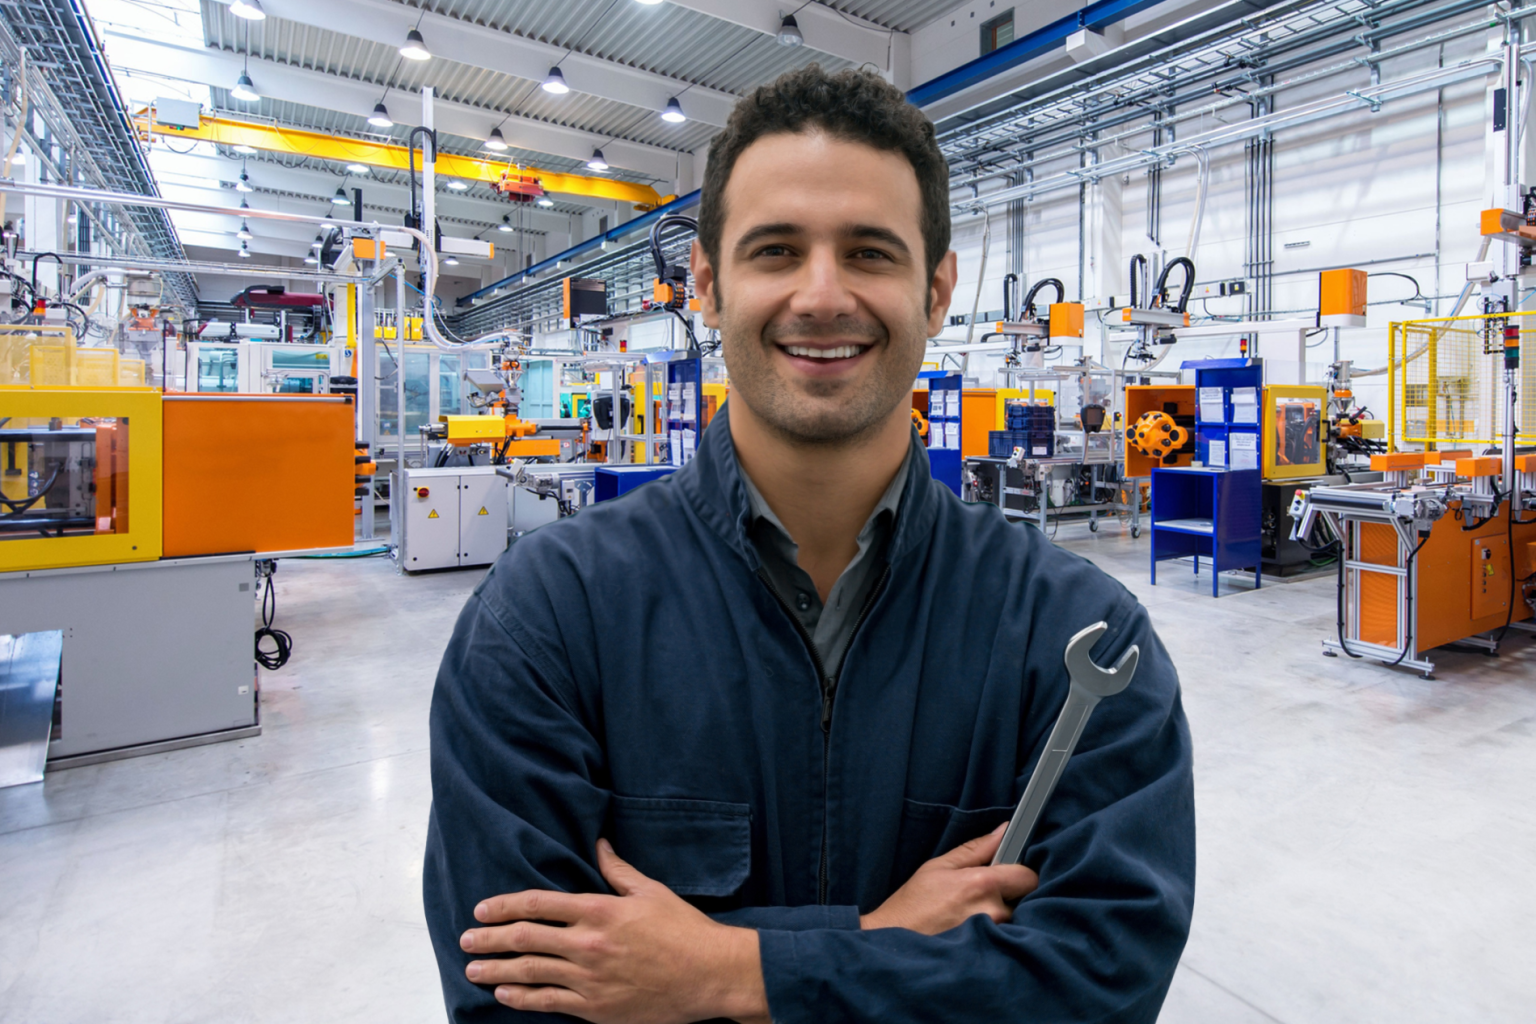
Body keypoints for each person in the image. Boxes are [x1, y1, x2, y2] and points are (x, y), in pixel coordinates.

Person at [423, 65, 1194, 1023]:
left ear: (938, 287)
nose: (822, 296)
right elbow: (512, 1000)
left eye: (870, 253)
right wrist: (880, 945)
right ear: (707, 282)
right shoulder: (546, 621)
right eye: (777, 250)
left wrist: (725, 971)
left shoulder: (1077, 637)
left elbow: (1099, 987)